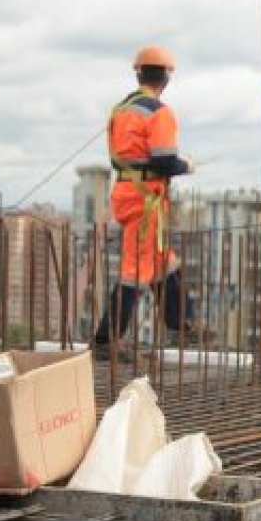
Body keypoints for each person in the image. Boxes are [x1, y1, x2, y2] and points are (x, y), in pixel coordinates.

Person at [91, 44, 199, 361]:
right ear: (166, 76)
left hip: (127, 192)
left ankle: (182, 322)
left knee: (163, 259)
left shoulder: (120, 109)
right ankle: (105, 338)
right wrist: (186, 165)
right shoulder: (158, 112)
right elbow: (165, 161)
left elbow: (121, 157)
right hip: (146, 198)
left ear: (138, 72)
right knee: (135, 269)